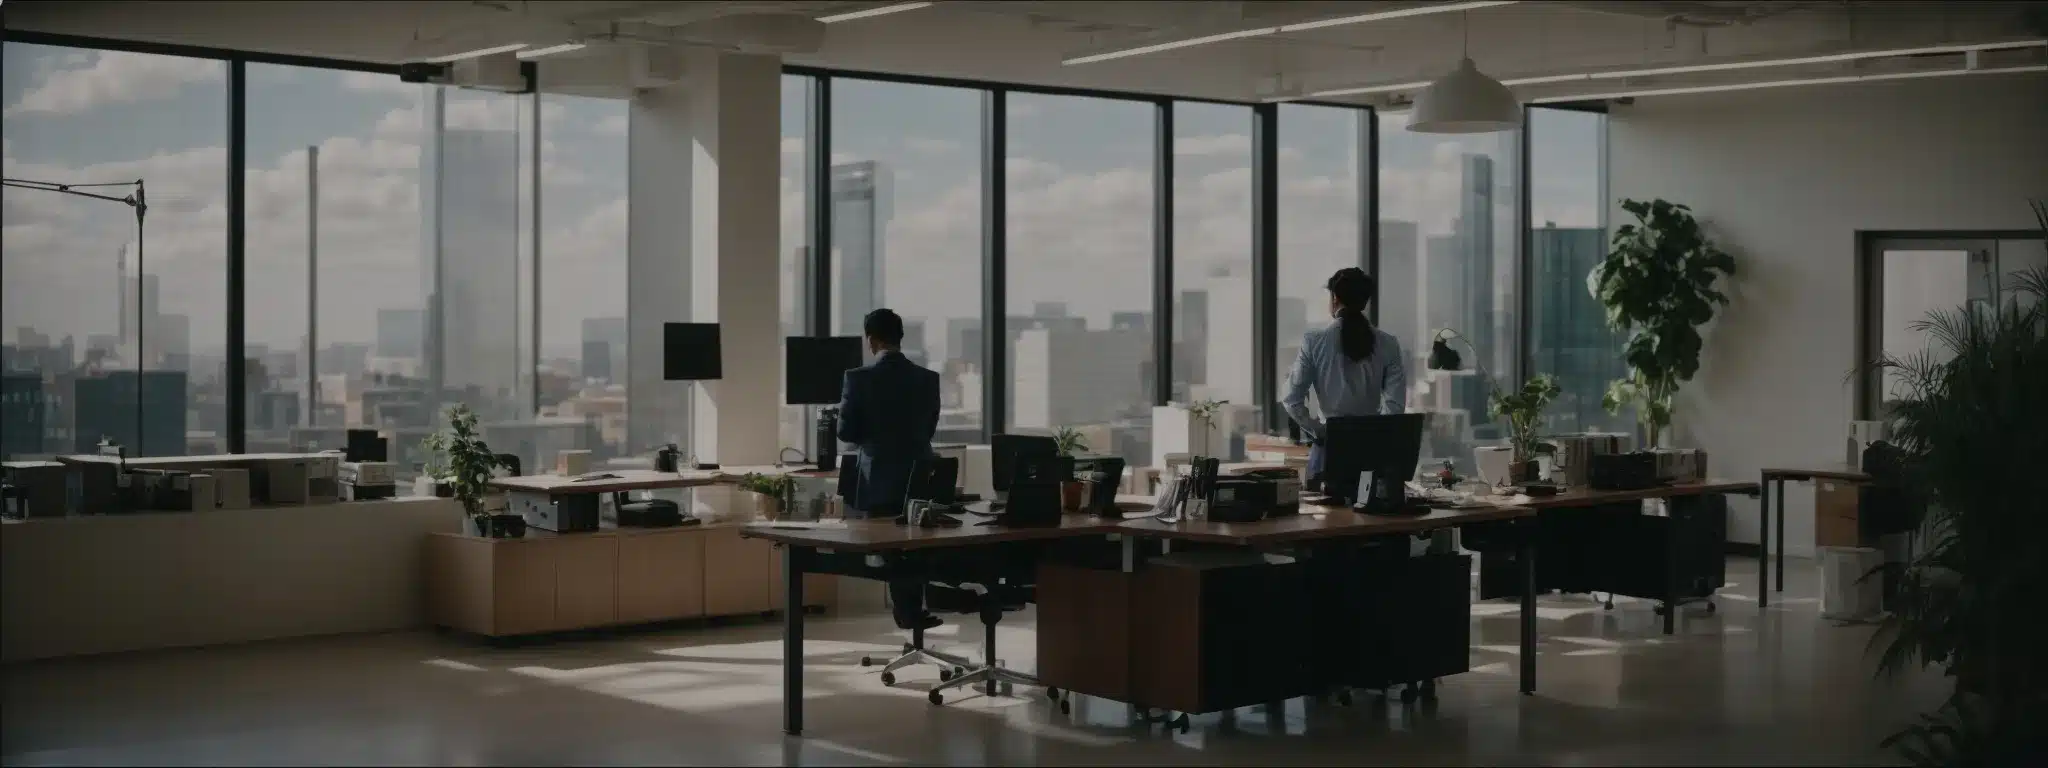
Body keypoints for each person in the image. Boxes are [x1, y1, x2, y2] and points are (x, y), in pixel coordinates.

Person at [837, 307, 944, 631]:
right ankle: (912, 610)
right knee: (916, 545)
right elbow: (928, 430)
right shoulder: (928, 379)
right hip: (921, 478)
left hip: (879, 481)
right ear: (899, 337)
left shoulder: (858, 379)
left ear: (871, 340)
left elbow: (846, 433)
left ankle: (908, 612)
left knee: (892, 548)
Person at [1280, 267, 1408, 482]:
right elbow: (1395, 407)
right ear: (1364, 301)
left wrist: (1320, 431)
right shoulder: (1388, 344)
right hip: (1371, 455)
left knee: (1324, 512)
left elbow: (1291, 400)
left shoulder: (1315, 341)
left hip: (1328, 454)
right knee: (1370, 513)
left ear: (1335, 298)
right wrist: (1374, 435)